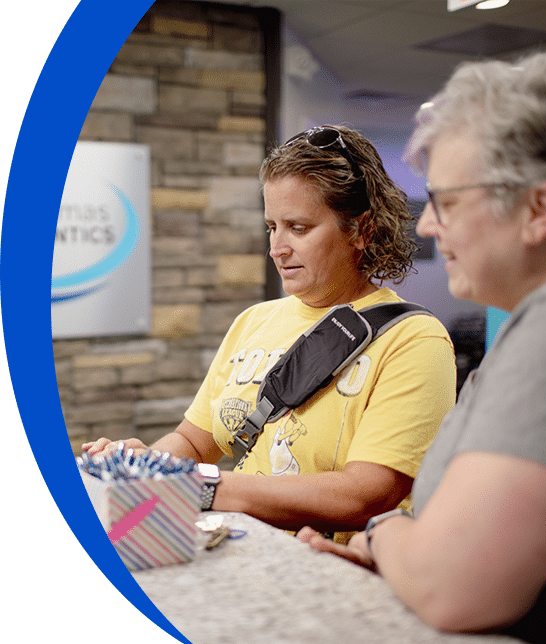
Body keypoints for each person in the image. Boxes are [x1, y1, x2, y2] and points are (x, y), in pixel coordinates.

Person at [299, 46, 546, 642]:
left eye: (445, 201)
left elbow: (451, 589)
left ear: (540, 208)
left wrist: (384, 535)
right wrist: (410, 558)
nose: (429, 225)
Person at [83, 125, 456, 543]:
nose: (277, 248)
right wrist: (149, 466)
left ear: (360, 230)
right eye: (272, 227)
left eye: (298, 228)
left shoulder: (414, 340)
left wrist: (204, 487)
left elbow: (365, 495)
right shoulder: (253, 322)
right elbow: (193, 442)